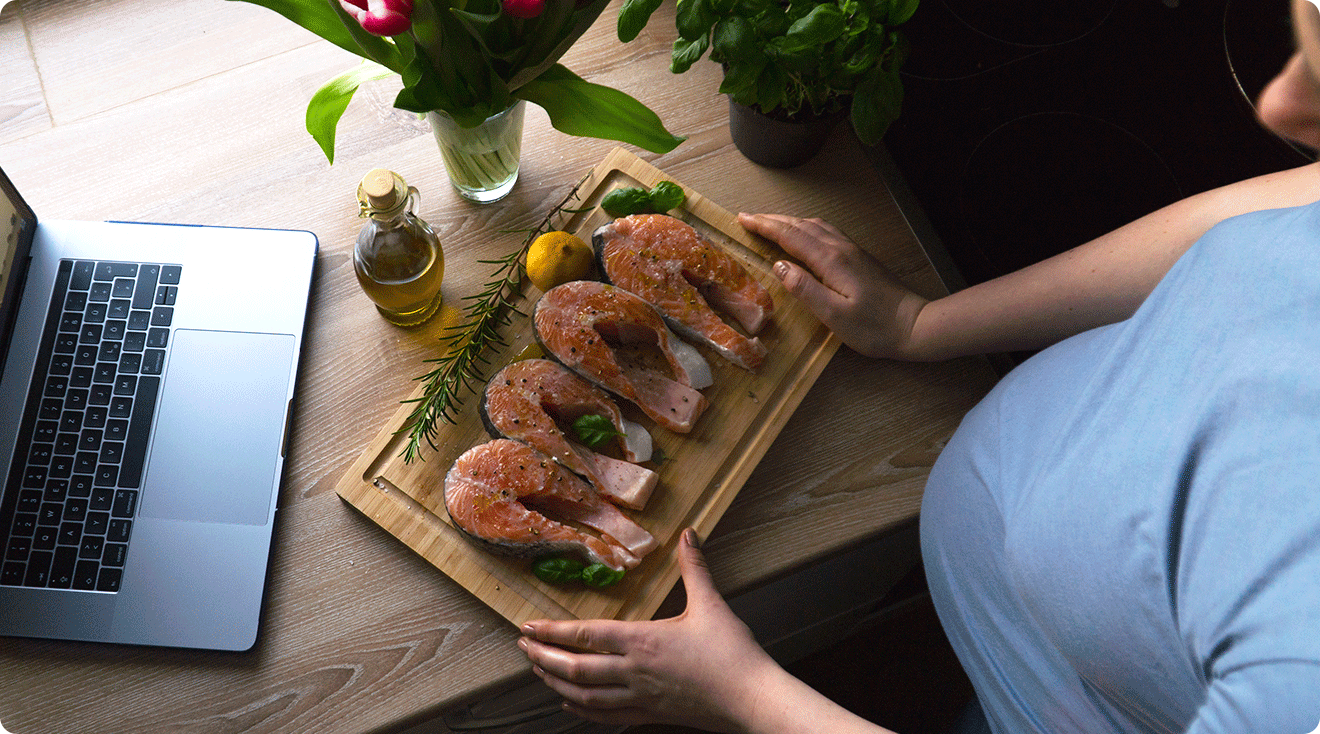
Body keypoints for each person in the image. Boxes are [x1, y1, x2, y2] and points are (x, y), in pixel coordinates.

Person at [517, 1, 1320, 730]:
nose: (1275, 109)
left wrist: (743, 695)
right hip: (1016, 620)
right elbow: (1257, 216)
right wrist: (921, 323)